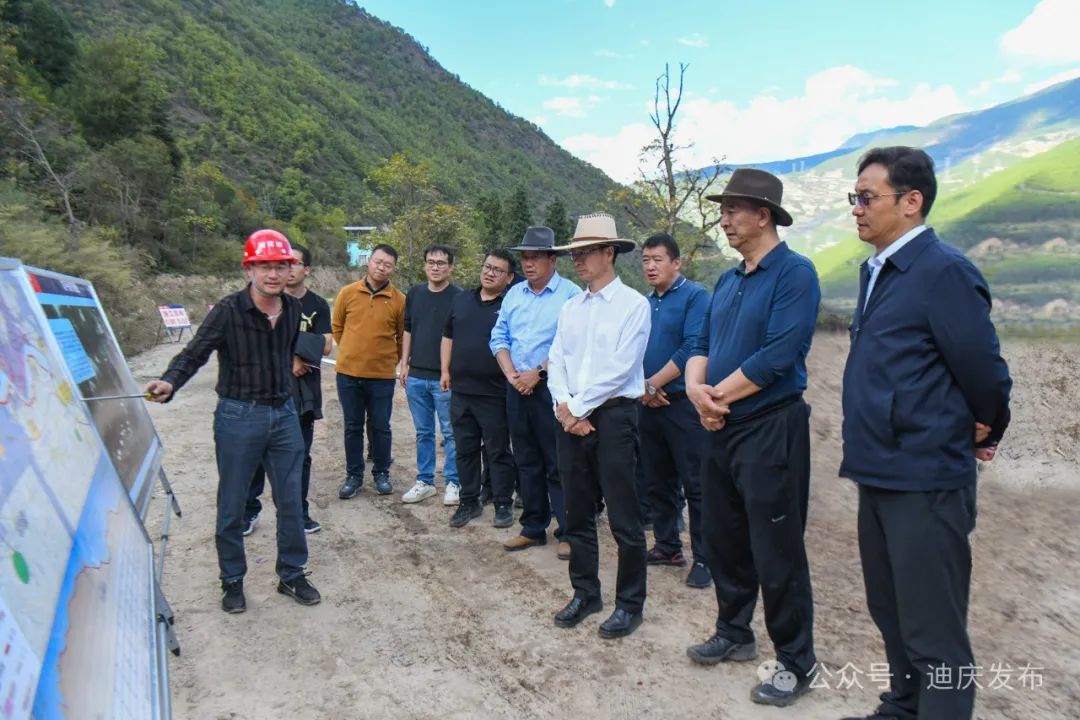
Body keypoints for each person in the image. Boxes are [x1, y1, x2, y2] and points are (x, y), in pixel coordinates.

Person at [839, 147, 1012, 720]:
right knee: (891, 611)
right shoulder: (880, 270)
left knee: (935, 631)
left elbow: (984, 370)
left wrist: (986, 426)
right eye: (855, 197)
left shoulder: (943, 271)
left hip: (925, 476)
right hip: (879, 469)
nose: (857, 208)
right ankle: (903, 707)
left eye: (867, 197)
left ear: (911, 201)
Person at [683, 169, 820, 707]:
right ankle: (734, 631)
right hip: (721, 425)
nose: (724, 220)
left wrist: (713, 399)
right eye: (722, 211)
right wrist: (696, 391)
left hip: (770, 426)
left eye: (732, 210)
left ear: (763, 215)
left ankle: (796, 663)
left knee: (776, 548)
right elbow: (701, 341)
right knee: (723, 537)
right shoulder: (728, 279)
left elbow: (777, 355)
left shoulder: (794, 273)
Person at [145, 229, 320, 613]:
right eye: (264, 266)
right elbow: (194, 354)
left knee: (291, 500)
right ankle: (232, 580)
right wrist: (170, 381)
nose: (273, 274)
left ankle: (292, 573)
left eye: (280, 266)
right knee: (233, 503)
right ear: (249, 269)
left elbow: (294, 351)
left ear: (291, 269)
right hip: (239, 415)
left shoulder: (292, 310)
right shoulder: (227, 311)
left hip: (284, 414)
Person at [548, 213, 650, 639]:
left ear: (610, 253)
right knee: (577, 512)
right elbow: (556, 359)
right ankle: (586, 592)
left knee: (624, 517)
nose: (578, 259)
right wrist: (564, 406)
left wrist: (577, 409)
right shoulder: (571, 307)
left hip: (614, 417)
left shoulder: (634, 306)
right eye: (575, 252)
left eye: (587, 252)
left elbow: (620, 368)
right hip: (571, 416)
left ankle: (630, 604)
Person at [490, 227, 580, 557]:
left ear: (552, 260)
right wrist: (511, 374)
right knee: (526, 458)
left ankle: (568, 530)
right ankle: (533, 526)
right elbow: (499, 336)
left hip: (552, 389)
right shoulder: (514, 294)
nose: (528, 263)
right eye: (525, 258)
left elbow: (570, 345)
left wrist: (538, 373)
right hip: (517, 387)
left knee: (557, 460)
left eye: (536, 257)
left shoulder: (570, 295)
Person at [637, 233, 712, 589]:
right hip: (648, 403)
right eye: (645, 260)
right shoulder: (644, 302)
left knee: (697, 483)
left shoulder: (696, 297)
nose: (650, 266)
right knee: (658, 480)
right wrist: (644, 388)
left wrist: (654, 384)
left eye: (657, 259)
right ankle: (667, 546)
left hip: (682, 404)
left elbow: (693, 346)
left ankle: (706, 558)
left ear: (676, 262)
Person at [243, 243, 332, 536]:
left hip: (304, 390)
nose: (287, 269)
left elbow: (326, 345)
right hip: (264, 391)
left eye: (294, 264)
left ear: (307, 270)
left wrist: (295, 352)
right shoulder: (263, 300)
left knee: (300, 455)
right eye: (283, 263)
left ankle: (299, 512)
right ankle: (249, 510)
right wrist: (294, 354)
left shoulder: (317, 305)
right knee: (256, 452)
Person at [441, 249, 518, 529]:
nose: (490, 273)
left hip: (495, 393)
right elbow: (447, 336)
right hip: (461, 392)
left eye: (498, 270)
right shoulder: (461, 299)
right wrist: (445, 370)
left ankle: (502, 503)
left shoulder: (511, 305)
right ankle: (469, 500)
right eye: (487, 266)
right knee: (465, 450)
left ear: (509, 278)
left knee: (498, 451)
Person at [333, 244, 406, 498]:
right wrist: (351, 351)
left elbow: (402, 337)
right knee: (352, 426)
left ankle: (381, 473)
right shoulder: (348, 292)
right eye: (378, 262)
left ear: (393, 268)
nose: (381, 267)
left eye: (387, 264)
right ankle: (354, 476)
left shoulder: (399, 300)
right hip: (348, 375)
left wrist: (389, 360)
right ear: (369, 262)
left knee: (381, 426)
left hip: (382, 377)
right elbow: (337, 327)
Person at [400, 245, 462, 505]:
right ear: (424, 265)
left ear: (450, 267)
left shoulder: (459, 297)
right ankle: (425, 481)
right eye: (431, 262)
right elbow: (407, 329)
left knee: (450, 432)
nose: (435, 267)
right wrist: (404, 363)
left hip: (444, 379)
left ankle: (453, 482)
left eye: (441, 263)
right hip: (416, 375)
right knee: (423, 432)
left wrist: (451, 371)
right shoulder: (415, 293)